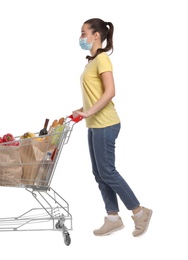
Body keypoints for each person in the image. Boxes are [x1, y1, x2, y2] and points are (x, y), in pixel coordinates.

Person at [73, 18, 152, 237]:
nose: (80, 38)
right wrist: (82, 110)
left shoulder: (103, 60)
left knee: (108, 171)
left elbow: (110, 92)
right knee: (99, 173)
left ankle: (139, 213)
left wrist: (89, 112)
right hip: (94, 124)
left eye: (83, 33)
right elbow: (95, 95)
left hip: (105, 124)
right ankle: (113, 218)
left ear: (95, 35)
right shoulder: (92, 61)